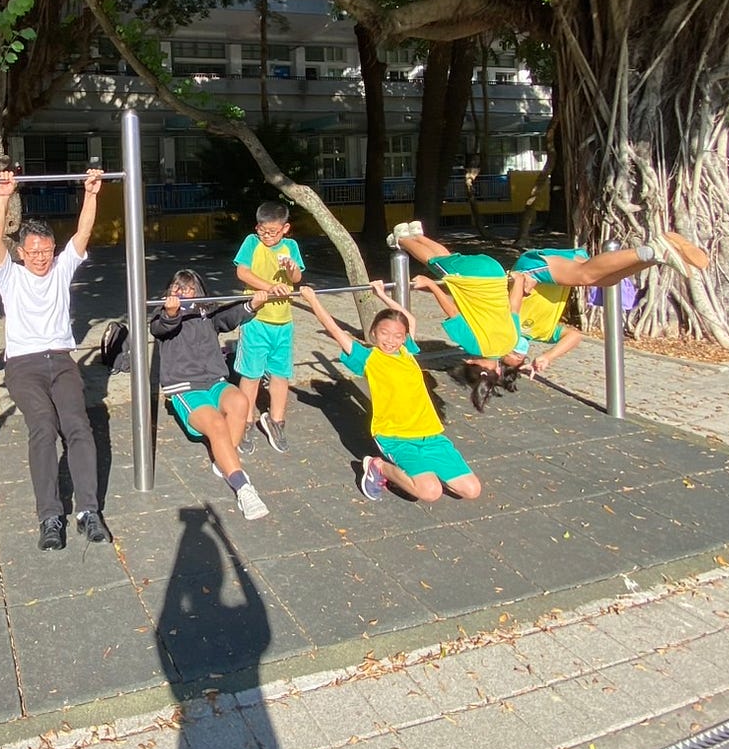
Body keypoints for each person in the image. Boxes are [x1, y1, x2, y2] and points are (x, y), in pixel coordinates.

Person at [0, 165, 111, 551]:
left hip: (60, 360)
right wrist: (3, 196)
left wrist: (91, 193)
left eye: (46, 251)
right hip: (23, 365)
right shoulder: (10, 276)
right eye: (34, 252)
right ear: (21, 253)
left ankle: (88, 511)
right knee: (43, 426)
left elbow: (83, 232)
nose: (41, 258)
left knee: (78, 425)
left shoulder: (61, 268)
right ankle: (49, 516)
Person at [301, 282, 482, 504]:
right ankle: (378, 466)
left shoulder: (407, 351)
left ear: (404, 338)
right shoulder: (368, 358)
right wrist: (312, 299)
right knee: (430, 492)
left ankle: (423, 473)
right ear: (373, 333)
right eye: (384, 333)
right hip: (396, 437)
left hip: (431, 435)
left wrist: (382, 294)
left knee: (471, 490)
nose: (390, 340)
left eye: (397, 335)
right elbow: (334, 329)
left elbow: (409, 319)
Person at [150, 270, 271, 520]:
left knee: (240, 402)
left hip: (214, 381)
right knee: (216, 423)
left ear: (199, 292)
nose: (182, 293)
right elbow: (159, 328)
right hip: (185, 387)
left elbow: (229, 317)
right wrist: (171, 314)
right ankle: (243, 487)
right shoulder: (163, 312)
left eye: (189, 288)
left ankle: (224, 460)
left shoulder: (207, 312)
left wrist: (252, 305)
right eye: (176, 287)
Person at [505, 233, 712, 374]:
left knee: (586, 276)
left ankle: (653, 250)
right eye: (520, 357)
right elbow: (574, 336)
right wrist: (548, 357)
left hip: (530, 270)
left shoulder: (505, 328)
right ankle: (657, 257)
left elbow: (506, 301)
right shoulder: (542, 333)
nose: (518, 352)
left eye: (512, 353)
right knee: (606, 280)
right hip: (557, 277)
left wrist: (517, 281)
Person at [388, 220, 519, 361]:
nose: (469, 361)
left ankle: (417, 235)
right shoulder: (476, 348)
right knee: (432, 261)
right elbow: (453, 312)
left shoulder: (512, 343)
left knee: (446, 259)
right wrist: (431, 285)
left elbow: (515, 308)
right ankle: (402, 239)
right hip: (473, 278)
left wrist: (519, 282)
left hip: (496, 272)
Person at [232, 201, 306, 453]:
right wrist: (269, 287)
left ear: (285, 228)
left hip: (283, 321)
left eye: (273, 232)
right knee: (251, 375)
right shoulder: (252, 243)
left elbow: (297, 278)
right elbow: (242, 272)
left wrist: (292, 270)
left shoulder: (291, 247)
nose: (267, 236)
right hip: (257, 320)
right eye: (263, 231)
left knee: (280, 374)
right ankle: (245, 421)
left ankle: (276, 420)